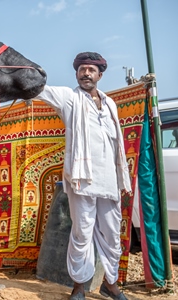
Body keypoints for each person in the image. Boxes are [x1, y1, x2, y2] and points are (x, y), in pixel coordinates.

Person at [33, 52, 132, 300]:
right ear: (76, 73)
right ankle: (79, 286)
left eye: (90, 69)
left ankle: (111, 284)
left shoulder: (110, 104)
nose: (85, 73)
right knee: (81, 234)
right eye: (81, 69)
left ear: (100, 74)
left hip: (109, 180)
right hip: (82, 180)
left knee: (111, 235)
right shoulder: (69, 98)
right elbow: (37, 89)